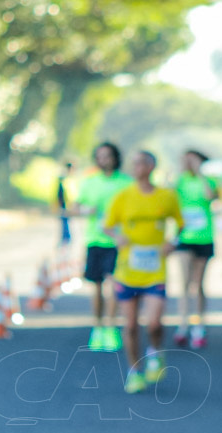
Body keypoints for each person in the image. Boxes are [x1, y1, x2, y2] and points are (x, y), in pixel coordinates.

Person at [103, 151, 184, 394]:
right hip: (128, 271)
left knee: (154, 323)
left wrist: (172, 242)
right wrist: (118, 236)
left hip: (155, 272)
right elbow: (107, 226)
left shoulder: (166, 196)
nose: (135, 167)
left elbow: (180, 224)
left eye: (139, 163)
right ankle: (134, 371)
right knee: (129, 326)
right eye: (133, 163)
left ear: (151, 166)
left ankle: (155, 353)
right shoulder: (123, 196)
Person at [73, 142, 132, 352]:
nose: (104, 160)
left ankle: (111, 326)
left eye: (108, 156)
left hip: (118, 241)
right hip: (95, 240)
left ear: (116, 158)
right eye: (100, 157)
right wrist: (86, 210)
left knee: (114, 284)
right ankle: (97, 327)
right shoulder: (90, 182)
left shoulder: (126, 183)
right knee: (96, 286)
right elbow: (75, 207)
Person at [173, 149, 218, 349]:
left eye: (194, 160)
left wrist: (199, 173)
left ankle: (199, 326)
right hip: (184, 237)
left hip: (204, 237)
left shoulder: (208, 180)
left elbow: (210, 196)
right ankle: (182, 325)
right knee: (183, 282)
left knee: (198, 284)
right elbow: (170, 199)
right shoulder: (179, 180)